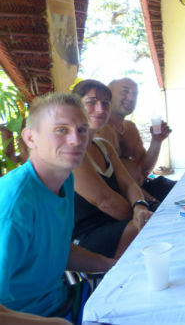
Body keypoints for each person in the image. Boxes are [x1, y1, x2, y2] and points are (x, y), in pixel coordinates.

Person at [0, 93, 114, 320]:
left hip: (63, 300)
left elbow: (56, 248)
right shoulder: (15, 202)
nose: (76, 140)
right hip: (31, 316)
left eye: (82, 130)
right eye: (61, 130)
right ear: (30, 138)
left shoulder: (64, 179)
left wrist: (111, 265)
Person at [71, 80, 152, 260]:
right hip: (86, 237)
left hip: (118, 222)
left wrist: (140, 206)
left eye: (105, 103)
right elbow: (105, 201)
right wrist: (142, 216)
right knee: (160, 225)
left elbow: (129, 184)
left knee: (168, 216)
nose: (100, 109)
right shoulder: (72, 150)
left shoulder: (103, 146)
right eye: (91, 102)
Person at [96, 77, 174, 202]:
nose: (131, 98)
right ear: (108, 95)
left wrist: (156, 141)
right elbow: (114, 183)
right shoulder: (101, 130)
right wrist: (151, 202)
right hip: (126, 198)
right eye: (125, 91)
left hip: (145, 187)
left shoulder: (129, 127)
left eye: (135, 94)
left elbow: (144, 169)